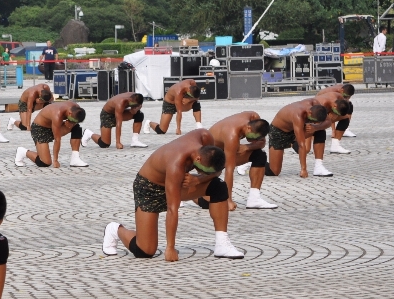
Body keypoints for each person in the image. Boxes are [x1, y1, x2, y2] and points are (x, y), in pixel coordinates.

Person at [101, 130, 244, 261]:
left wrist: (198, 179)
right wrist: (170, 248)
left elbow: (217, 172)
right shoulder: (177, 163)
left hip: (178, 183)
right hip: (149, 188)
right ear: (198, 159)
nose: (205, 174)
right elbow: (172, 209)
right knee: (145, 251)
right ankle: (115, 230)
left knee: (218, 186)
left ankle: (222, 244)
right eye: (203, 171)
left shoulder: (205, 137)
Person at [208, 112, 276, 210]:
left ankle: (254, 199)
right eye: (253, 137)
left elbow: (262, 143)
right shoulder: (232, 135)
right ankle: (185, 195)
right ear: (248, 128)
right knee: (209, 201)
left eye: (256, 138)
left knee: (259, 155)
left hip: (226, 149)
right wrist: (228, 200)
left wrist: (247, 147)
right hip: (212, 157)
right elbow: (229, 169)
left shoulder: (254, 118)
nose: (254, 140)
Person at [265, 99, 330, 178]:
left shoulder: (316, 104)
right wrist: (303, 169)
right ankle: (255, 161)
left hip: (295, 130)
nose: (313, 122)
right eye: (312, 120)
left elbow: (329, 122)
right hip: (279, 132)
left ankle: (318, 166)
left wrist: (316, 127)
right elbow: (301, 145)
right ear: (309, 112)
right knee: (274, 171)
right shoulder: (298, 115)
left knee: (320, 130)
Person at [14, 101, 88, 168]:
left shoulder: (76, 109)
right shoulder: (57, 114)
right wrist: (55, 160)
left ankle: (75, 158)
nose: (72, 122)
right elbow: (57, 139)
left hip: (53, 126)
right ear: (69, 113)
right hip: (40, 129)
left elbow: (74, 121)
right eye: (72, 120)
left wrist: (71, 122)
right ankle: (23, 152)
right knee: (45, 162)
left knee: (76, 128)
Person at [81, 92, 148, 149]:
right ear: (130, 99)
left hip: (120, 111)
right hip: (107, 114)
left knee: (139, 115)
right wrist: (118, 142)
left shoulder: (136, 97)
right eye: (132, 105)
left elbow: (138, 105)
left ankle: (135, 140)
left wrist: (136, 109)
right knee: (104, 144)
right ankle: (89, 134)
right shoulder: (121, 102)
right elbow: (119, 123)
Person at [315, 83, 356, 154]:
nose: (347, 98)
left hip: (330, 105)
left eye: (349, 97)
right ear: (342, 90)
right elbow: (332, 111)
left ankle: (335, 145)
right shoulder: (332, 94)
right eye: (346, 96)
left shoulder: (342, 90)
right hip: (319, 108)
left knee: (347, 112)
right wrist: (333, 130)